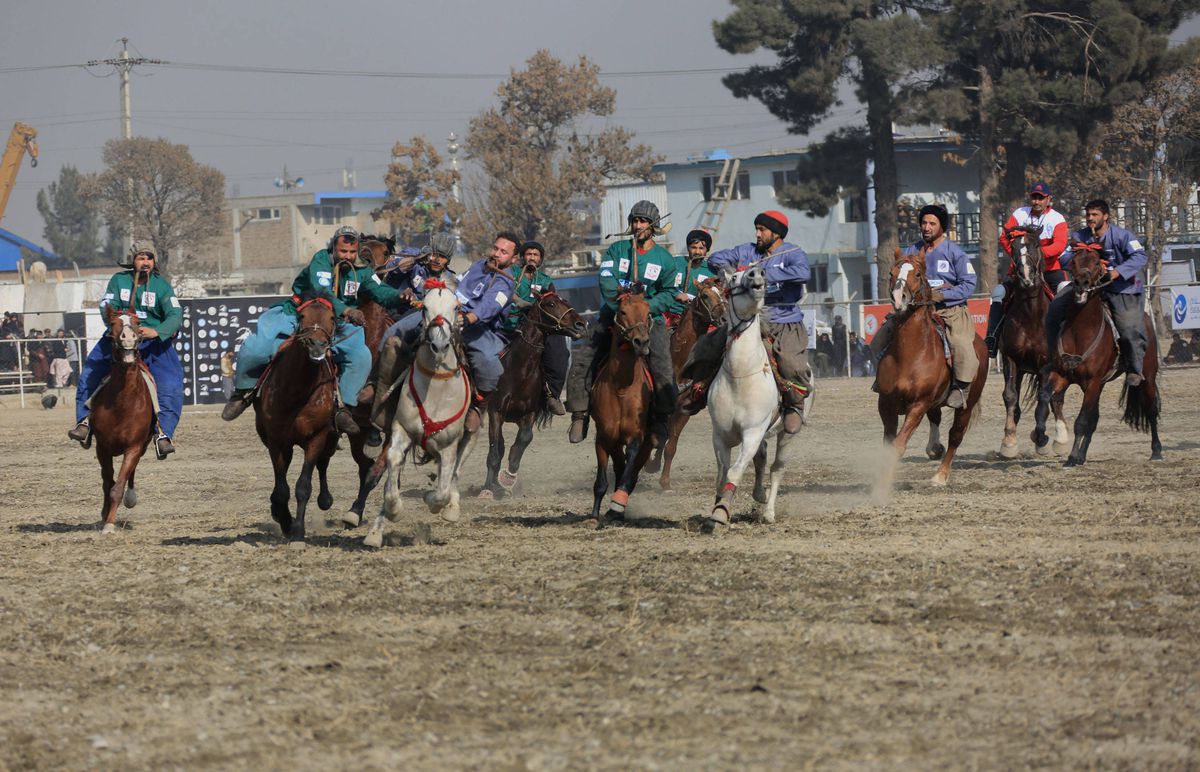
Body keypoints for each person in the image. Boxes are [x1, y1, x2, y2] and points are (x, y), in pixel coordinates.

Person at [221, 226, 405, 434]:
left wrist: (401, 296)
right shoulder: (321, 261)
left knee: (361, 357)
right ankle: (243, 392)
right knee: (256, 347)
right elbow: (323, 291)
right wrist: (347, 310)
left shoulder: (362, 270)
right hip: (301, 314)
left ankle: (343, 409)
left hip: (339, 323)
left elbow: (380, 290)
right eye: (343, 251)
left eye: (352, 252)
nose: (348, 256)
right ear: (334, 248)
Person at [372, 231, 521, 433]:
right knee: (397, 329)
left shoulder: (506, 281)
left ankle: (478, 407)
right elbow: (458, 284)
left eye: (503, 252)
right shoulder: (480, 265)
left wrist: (468, 318)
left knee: (489, 363)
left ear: (513, 259)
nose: (496, 254)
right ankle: (376, 381)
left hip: (475, 326)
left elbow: (490, 306)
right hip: (447, 311)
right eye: (495, 248)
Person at [679, 209, 813, 434]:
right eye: (757, 229)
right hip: (746, 318)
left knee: (791, 364)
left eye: (762, 229)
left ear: (776, 233)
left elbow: (803, 273)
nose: (757, 233)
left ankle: (794, 406)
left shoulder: (793, 253)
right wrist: (731, 271)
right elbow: (716, 259)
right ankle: (698, 392)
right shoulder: (747, 250)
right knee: (708, 347)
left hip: (783, 319)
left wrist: (761, 275)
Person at [565, 200, 678, 445]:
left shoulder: (665, 260)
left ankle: (660, 418)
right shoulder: (617, 250)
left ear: (653, 226)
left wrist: (647, 306)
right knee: (585, 355)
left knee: (662, 363)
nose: (638, 225)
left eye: (643, 221)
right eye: (635, 221)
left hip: (648, 319)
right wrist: (622, 304)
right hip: (615, 313)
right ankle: (579, 413)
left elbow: (669, 293)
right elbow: (606, 279)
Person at [68, 242, 185, 459]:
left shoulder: (162, 286)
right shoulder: (119, 281)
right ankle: (84, 423)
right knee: (88, 375)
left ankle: (163, 434)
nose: (146, 262)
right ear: (133, 260)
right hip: (117, 341)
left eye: (149, 258)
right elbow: (106, 306)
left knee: (172, 384)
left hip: (153, 345)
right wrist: (116, 324)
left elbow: (175, 315)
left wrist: (157, 331)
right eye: (141, 257)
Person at [872, 204, 979, 409]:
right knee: (880, 339)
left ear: (942, 227)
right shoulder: (912, 251)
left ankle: (960, 387)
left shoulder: (955, 253)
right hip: (915, 310)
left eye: (932, 223)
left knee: (960, 343)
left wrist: (942, 295)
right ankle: (884, 379)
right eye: (924, 223)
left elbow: (968, 285)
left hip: (950, 310)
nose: (926, 227)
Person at [1046, 199, 1148, 387]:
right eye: (1088, 215)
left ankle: (1134, 367)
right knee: (1054, 309)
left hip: (1121, 288)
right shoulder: (1079, 236)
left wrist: (1117, 271)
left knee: (1129, 328)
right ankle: (1052, 358)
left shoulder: (1122, 236)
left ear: (1106, 216)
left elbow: (1140, 256)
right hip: (1086, 285)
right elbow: (1064, 257)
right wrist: (1077, 257)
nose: (1090, 219)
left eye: (1095, 215)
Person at [361, 233, 455, 413]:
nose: (436, 260)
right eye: (435, 254)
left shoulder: (449, 279)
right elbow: (393, 267)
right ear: (429, 251)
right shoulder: (414, 260)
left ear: (448, 260)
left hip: (425, 320)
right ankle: (373, 380)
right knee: (389, 334)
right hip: (395, 312)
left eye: (442, 257)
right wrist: (413, 259)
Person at [985, 181, 1069, 356]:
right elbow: (1004, 237)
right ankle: (992, 338)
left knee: (1065, 292)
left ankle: (1068, 344)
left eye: (1041, 198)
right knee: (998, 293)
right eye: (1034, 197)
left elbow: (1060, 245)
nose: (1036, 201)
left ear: (1048, 199)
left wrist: (1035, 257)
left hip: (1050, 269)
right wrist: (1020, 258)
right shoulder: (1019, 214)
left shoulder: (1057, 219)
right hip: (1019, 270)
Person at [502, 240, 569, 416]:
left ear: (540, 259)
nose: (532, 257)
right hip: (511, 324)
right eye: (528, 254)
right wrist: (521, 303)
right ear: (523, 257)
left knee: (561, 351)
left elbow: (553, 304)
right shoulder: (511, 273)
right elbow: (506, 293)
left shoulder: (546, 280)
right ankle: (482, 393)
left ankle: (551, 394)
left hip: (539, 328)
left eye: (535, 254)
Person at [663, 229, 717, 330]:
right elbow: (662, 285)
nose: (697, 251)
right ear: (688, 248)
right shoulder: (674, 263)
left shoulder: (711, 271)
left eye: (701, 248)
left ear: (707, 250)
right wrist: (676, 294)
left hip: (696, 319)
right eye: (693, 247)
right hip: (669, 315)